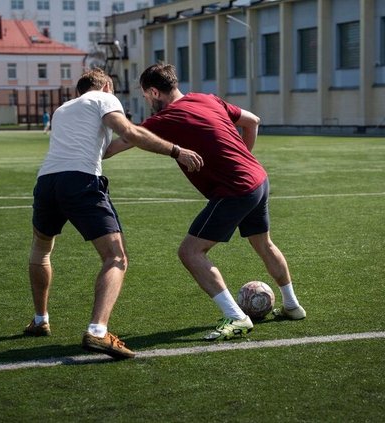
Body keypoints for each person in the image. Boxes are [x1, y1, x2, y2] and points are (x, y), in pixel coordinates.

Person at [105, 63, 306, 341]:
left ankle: (236, 317)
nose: (146, 101)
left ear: (154, 91)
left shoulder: (164, 119)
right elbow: (253, 121)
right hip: (258, 179)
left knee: (190, 252)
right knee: (264, 244)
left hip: (236, 189)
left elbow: (119, 144)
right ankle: (292, 306)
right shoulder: (207, 98)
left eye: (145, 96)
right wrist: (242, 158)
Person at [24, 68, 203, 359]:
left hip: (46, 182)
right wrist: (176, 150)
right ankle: (97, 331)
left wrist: (143, 135)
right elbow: (128, 131)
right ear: (107, 86)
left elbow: (105, 149)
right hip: (80, 181)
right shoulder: (104, 99)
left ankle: (40, 320)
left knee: (41, 252)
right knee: (115, 258)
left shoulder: (63, 109)